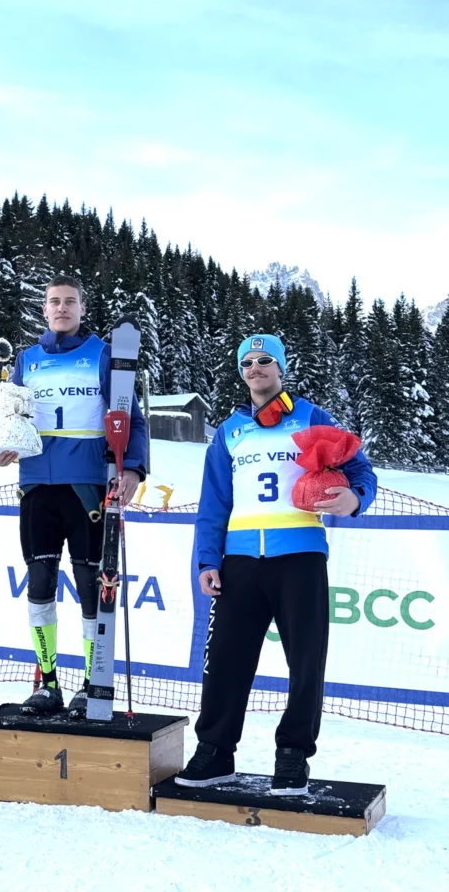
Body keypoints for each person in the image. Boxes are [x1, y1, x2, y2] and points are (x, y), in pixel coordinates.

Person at [175, 334, 377, 795]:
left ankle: (292, 755)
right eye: (247, 362)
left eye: (265, 360)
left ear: (281, 367)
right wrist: (207, 560)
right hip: (240, 561)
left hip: (300, 557)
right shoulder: (229, 432)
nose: (256, 368)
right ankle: (215, 752)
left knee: (305, 661)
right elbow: (214, 503)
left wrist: (354, 498)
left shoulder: (311, 417)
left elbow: (361, 470)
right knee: (225, 660)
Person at [0, 275, 147, 716]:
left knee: (90, 587)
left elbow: (131, 417)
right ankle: (48, 683)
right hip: (37, 484)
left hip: (86, 485)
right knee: (39, 585)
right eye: (54, 301)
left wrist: (133, 467)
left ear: (81, 308)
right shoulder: (27, 360)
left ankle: (91, 683)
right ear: (44, 309)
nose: (61, 308)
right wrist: (5, 446)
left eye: (70, 301)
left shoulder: (102, 354)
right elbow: (14, 417)